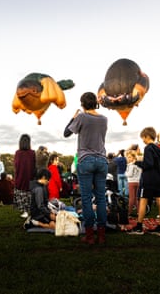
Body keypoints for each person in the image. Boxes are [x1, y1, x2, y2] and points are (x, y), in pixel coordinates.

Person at [64, 92, 108, 245]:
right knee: (101, 198)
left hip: (86, 160)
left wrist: (74, 118)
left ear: (82, 103)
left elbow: (66, 133)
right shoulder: (104, 119)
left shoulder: (82, 117)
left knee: (86, 198)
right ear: (96, 103)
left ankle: (89, 235)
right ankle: (102, 235)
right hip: (102, 160)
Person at [127, 127, 160, 236]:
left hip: (149, 180)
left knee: (143, 201)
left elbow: (148, 164)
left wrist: (137, 163)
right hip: (159, 179)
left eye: (143, 138)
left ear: (147, 136)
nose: (143, 140)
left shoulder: (148, 148)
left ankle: (139, 227)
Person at [14, 134, 36, 218]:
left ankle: (25, 211)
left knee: (22, 194)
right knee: (29, 194)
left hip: (20, 177)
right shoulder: (32, 153)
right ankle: (30, 210)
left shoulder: (17, 153)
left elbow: (16, 165)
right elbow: (34, 165)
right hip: (30, 177)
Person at [125, 149, 141, 217]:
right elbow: (141, 172)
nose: (128, 158)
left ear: (134, 157)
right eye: (127, 157)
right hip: (138, 181)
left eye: (129, 157)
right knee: (137, 198)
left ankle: (129, 212)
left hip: (131, 182)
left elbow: (130, 174)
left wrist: (125, 173)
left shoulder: (131, 165)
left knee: (131, 198)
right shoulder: (139, 164)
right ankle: (139, 212)